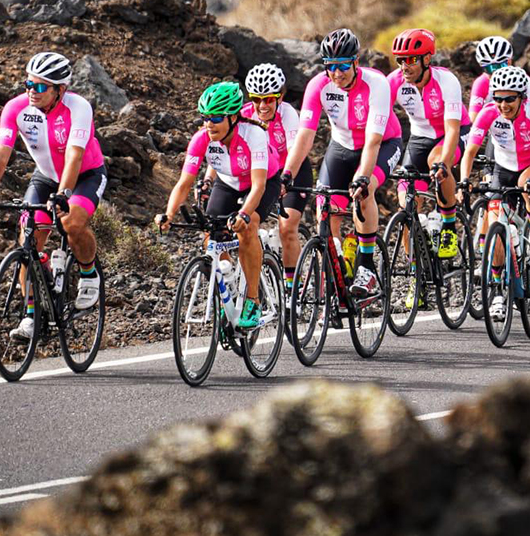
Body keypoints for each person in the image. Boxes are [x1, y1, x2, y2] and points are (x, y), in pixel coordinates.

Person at [0, 52, 108, 340]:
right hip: (45, 176)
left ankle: (88, 273)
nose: (32, 91)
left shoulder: (78, 108)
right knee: (28, 241)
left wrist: (64, 194)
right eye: (29, 84)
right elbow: (1, 153)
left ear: (60, 90)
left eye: (41, 87)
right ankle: (32, 315)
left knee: (71, 223)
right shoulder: (16, 108)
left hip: (85, 174)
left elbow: (74, 155)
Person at [280, 28, 402, 298]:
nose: (337, 73)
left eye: (343, 66)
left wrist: (361, 178)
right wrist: (287, 174)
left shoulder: (376, 83)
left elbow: (372, 142)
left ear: (356, 62)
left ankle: (367, 267)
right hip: (342, 146)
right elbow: (305, 136)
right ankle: (337, 267)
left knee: (365, 188)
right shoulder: (318, 86)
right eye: (331, 67)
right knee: (326, 205)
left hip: (382, 144)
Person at [156, 82, 280, 329]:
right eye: (205, 118)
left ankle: (253, 301)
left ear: (233, 117)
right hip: (228, 182)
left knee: (249, 225)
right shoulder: (202, 138)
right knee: (210, 231)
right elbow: (183, 183)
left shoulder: (253, 134)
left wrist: (244, 214)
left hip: (263, 182)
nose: (208, 124)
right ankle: (231, 281)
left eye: (215, 118)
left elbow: (258, 187)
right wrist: (168, 214)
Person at [459, 66, 530, 322]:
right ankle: (498, 291)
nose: (503, 104)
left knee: (527, 186)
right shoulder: (489, 114)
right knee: (497, 222)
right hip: (503, 167)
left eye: (509, 98)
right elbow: (470, 151)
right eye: (497, 98)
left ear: (522, 97)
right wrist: (464, 181)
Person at [387, 28, 469, 260]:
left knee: (437, 163)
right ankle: (417, 272)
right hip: (419, 137)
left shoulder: (446, 80)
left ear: (426, 59)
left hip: (454, 131)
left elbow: (453, 128)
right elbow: (378, 119)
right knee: (407, 205)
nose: (405, 66)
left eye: (411, 60)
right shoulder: (394, 82)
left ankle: (449, 226)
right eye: (400, 60)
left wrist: (444, 163)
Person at [237, 63, 310, 289]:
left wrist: (286, 178)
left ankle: (292, 288)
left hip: (292, 171)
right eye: (256, 99)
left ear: (280, 97)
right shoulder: (244, 114)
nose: (262, 105)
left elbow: (293, 147)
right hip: (262, 174)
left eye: (269, 99)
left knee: (287, 229)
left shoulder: (288, 114)